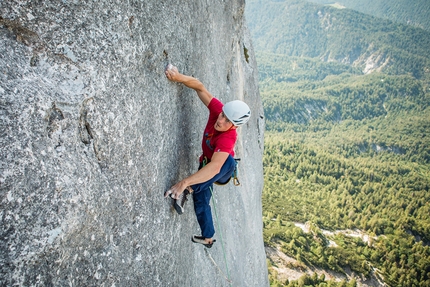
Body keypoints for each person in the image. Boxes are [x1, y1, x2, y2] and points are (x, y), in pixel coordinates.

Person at [164, 64, 251, 248]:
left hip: (223, 169)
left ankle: (189, 189)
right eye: (222, 115)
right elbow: (200, 86)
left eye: (227, 120)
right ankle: (208, 236)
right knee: (201, 198)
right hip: (207, 162)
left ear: (234, 126)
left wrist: (185, 182)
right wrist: (178, 77)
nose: (220, 120)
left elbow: (215, 167)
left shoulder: (228, 137)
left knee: (225, 162)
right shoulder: (218, 111)